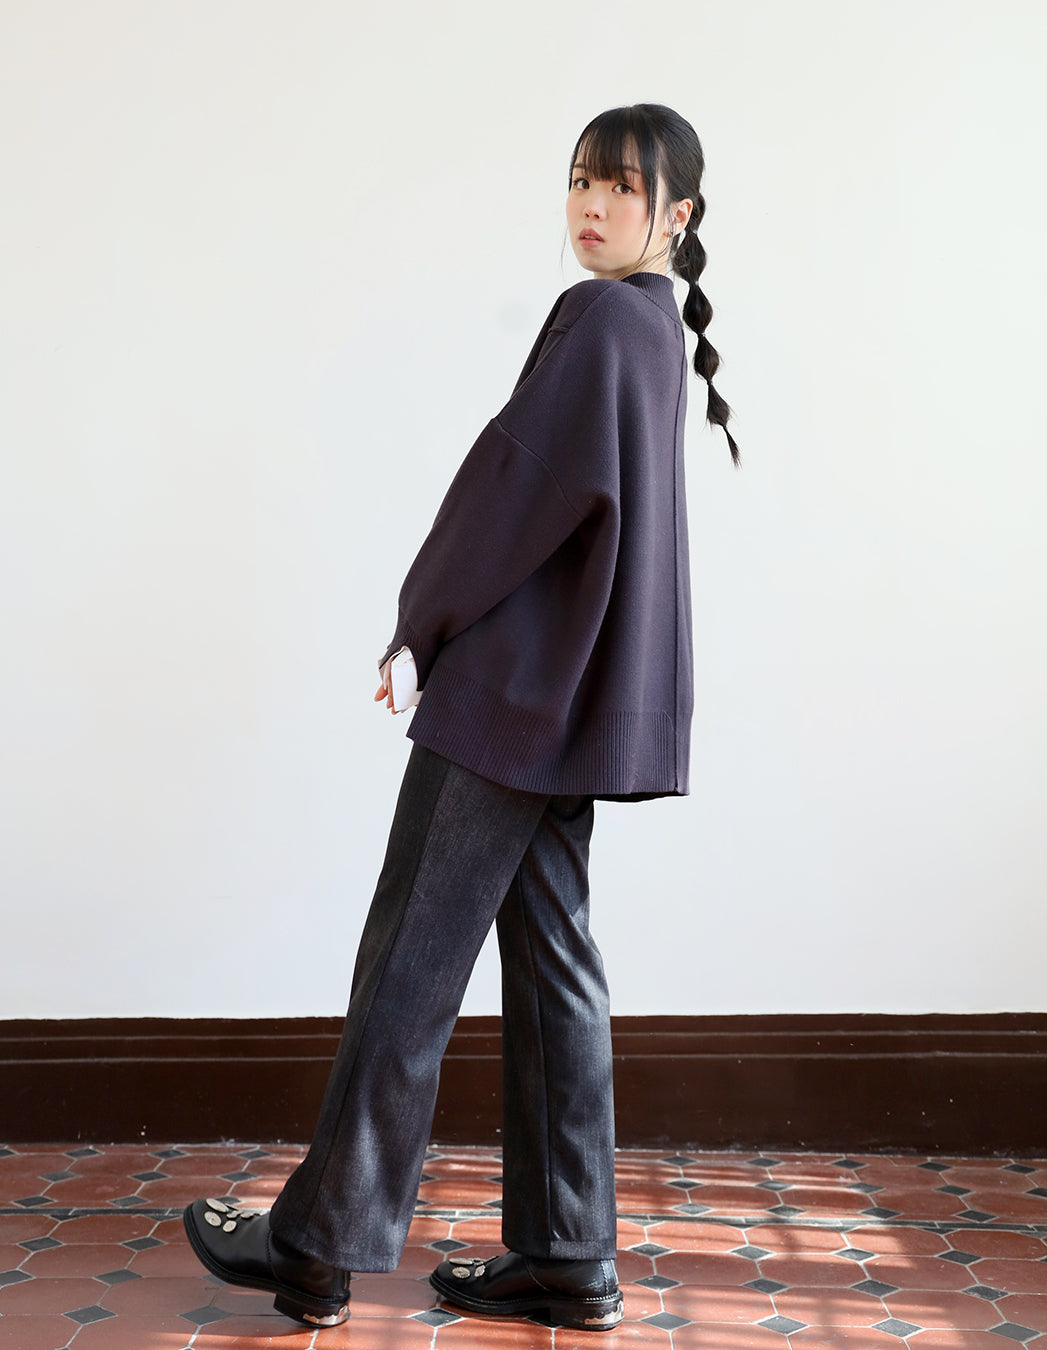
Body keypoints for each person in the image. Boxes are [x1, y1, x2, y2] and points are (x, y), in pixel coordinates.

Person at [182, 101, 739, 1334]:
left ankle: (314, 1245)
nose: (591, 205)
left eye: (622, 186)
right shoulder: (651, 329)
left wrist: (421, 620)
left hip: (510, 699)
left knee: (411, 959)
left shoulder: (600, 317)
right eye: (582, 179)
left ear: (677, 214)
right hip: (571, 703)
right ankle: (568, 1255)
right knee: (555, 967)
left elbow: (514, 486)